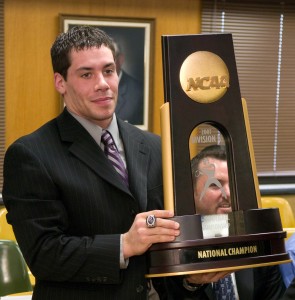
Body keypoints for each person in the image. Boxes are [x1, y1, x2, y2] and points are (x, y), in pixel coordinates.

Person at [2, 25, 181, 300]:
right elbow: (44, 254)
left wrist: (193, 278)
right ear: (60, 82)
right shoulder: (30, 155)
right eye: (87, 74)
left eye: (109, 71)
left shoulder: (155, 146)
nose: (103, 83)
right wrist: (124, 245)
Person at [161, 145, 286, 299]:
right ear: (191, 192)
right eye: (215, 184)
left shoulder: (258, 239)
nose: (228, 193)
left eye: (232, 184)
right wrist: (192, 284)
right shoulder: (173, 245)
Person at [113, 39, 144, 125]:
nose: (106, 64)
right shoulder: (91, 87)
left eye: (112, 58)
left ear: (121, 59)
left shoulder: (139, 92)